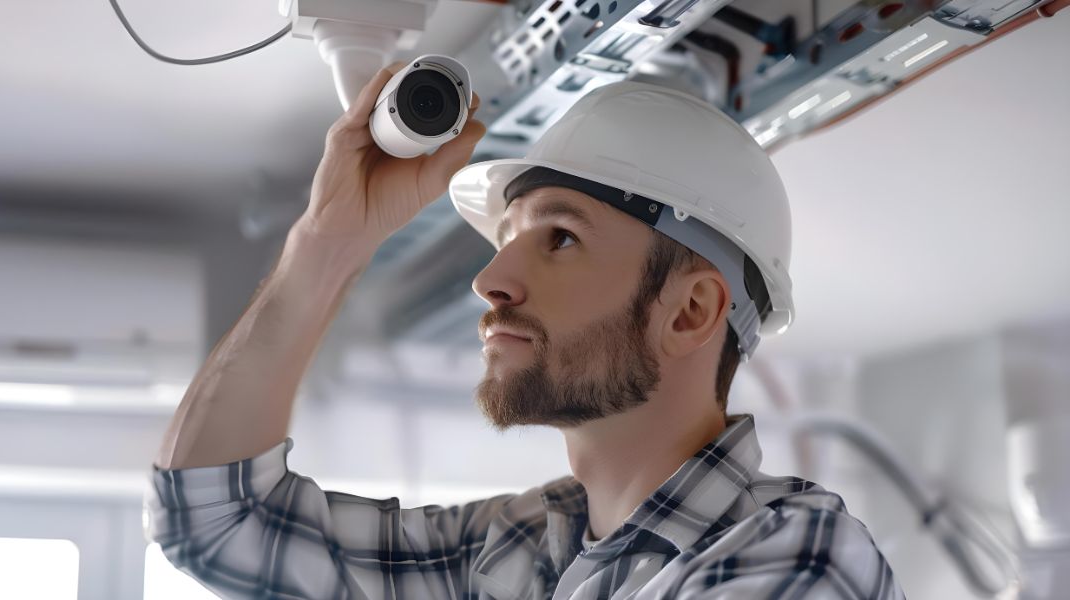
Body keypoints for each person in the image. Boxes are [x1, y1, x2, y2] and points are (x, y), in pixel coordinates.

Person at [145, 63, 905, 599]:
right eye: (506, 237)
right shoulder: (522, 548)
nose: (489, 281)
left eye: (561, 238)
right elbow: (216, 520)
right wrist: (326, 243)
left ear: (689, 313)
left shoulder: (798, 559)